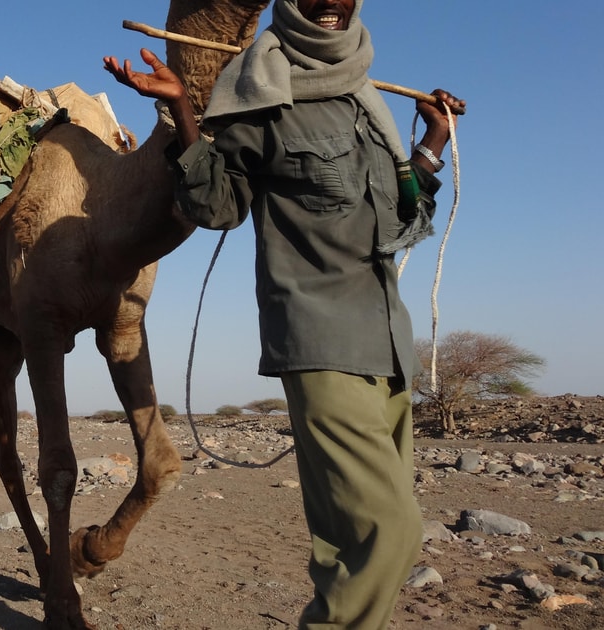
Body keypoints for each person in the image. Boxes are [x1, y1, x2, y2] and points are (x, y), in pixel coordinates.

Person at [104, 0, 465, 627]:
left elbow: (405, 222)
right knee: (394, 534)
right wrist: (183, 113)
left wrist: (430, 145)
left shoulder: (365, 101)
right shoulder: (260, 96)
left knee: (348, 549)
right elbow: (217, 206)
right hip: (319, 338)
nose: (331, 2)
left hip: (389, 347)